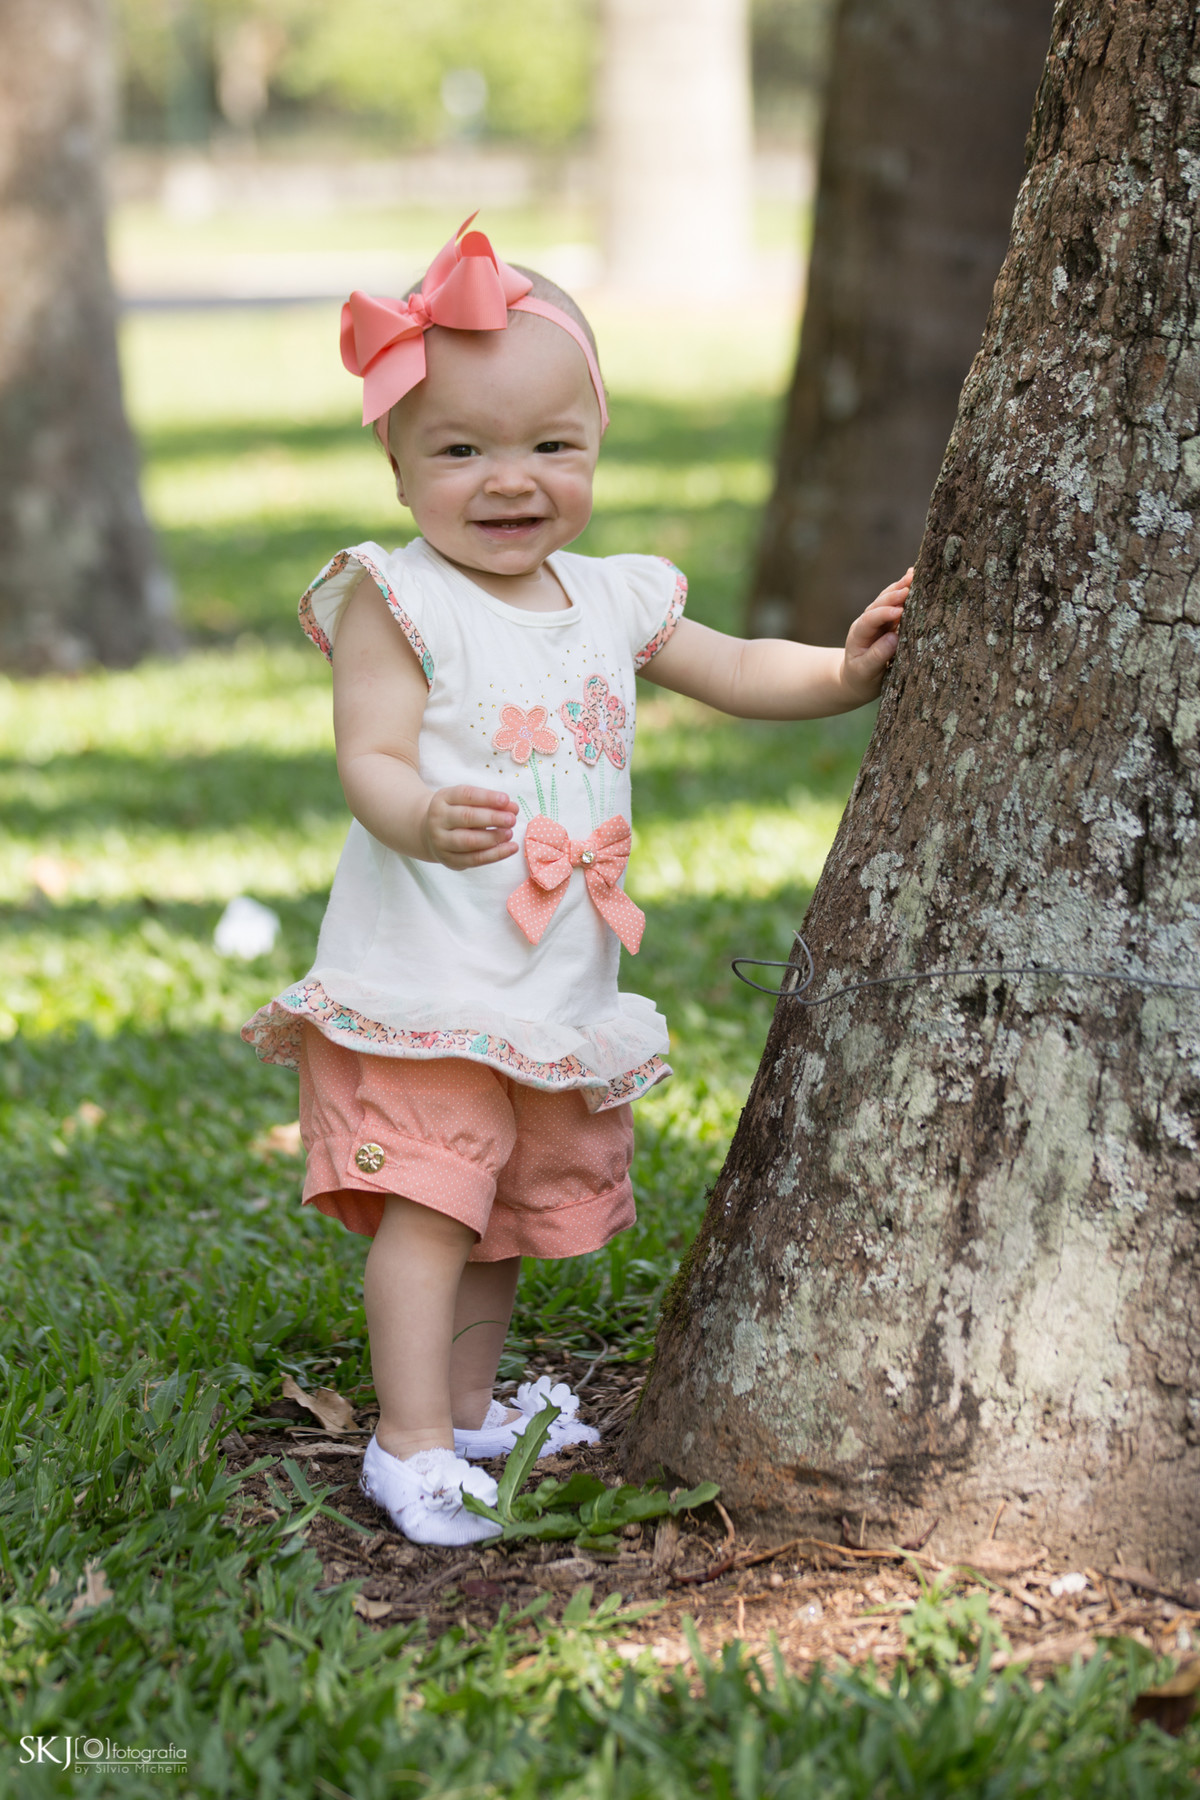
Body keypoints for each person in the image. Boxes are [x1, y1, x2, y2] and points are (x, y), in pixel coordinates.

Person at [244, 217, 911, 1547]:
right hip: (427, 976)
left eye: (553, 447)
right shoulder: (400, 598)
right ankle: (408, 1441)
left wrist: (838, 675)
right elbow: (368, 753)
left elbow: (732, 667)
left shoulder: (612, 598)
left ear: (595, 447)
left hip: (549, 982)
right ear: (398, 463)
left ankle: (472, 1405)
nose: (511, 481)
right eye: (462, 451)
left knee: (497, 1218)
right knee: (433, 1208)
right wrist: (421, 814)